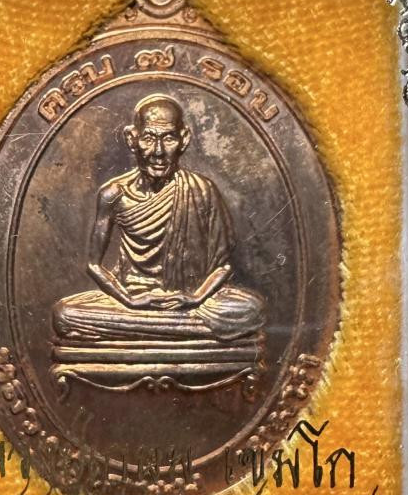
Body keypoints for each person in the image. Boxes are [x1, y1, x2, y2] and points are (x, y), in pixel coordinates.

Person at [52, 94, 265, 343]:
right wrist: (130, 300)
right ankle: (175, 328)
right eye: (149, 138)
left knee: (253, 310)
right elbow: (94, 265)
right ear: (132, 139)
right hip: (132, 299)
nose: (159, 152)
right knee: (64, 314)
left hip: (188, 302)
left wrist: (195, 297)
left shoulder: (202, 190)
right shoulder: (114, 194)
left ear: (184, 139)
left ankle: (154, 327)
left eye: (169, 138)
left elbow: (223, 265)